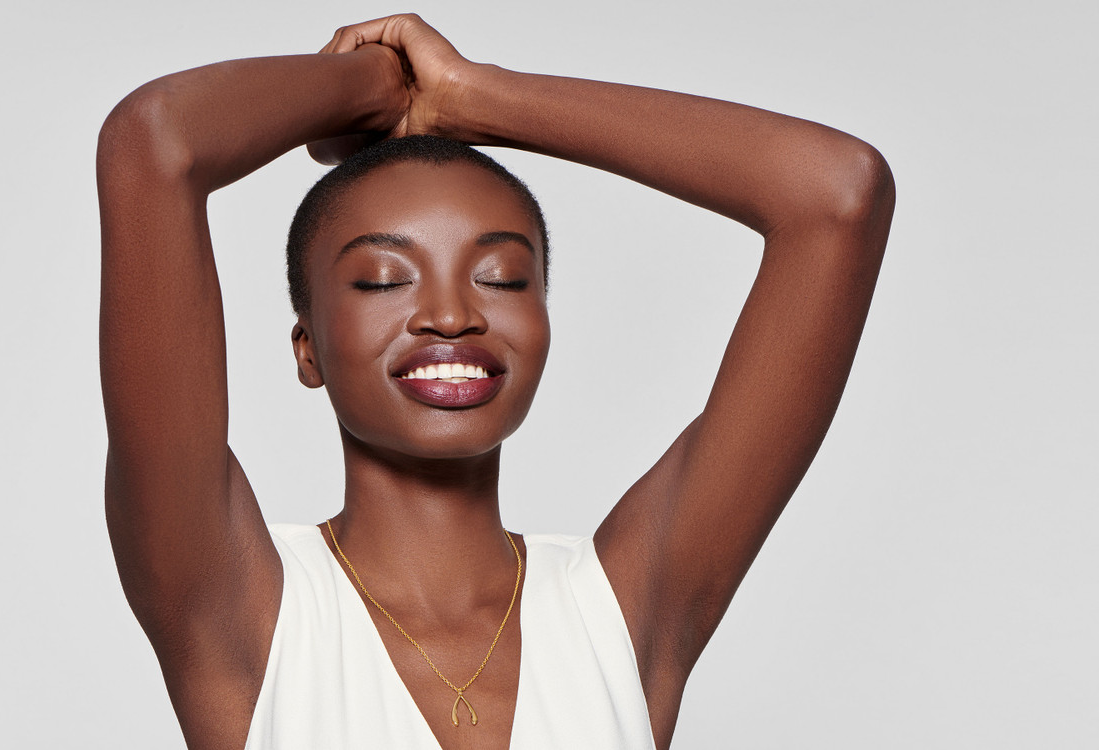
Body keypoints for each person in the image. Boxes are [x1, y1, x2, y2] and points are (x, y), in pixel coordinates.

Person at [97, 13, 894, 750]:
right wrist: (373, 84)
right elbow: (158, 142)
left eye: (503, 278)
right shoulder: (236, 608)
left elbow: (838, 194)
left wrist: (472, 98)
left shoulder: (620, 611)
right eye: (382, 279)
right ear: (307, 350)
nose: (450, 315)